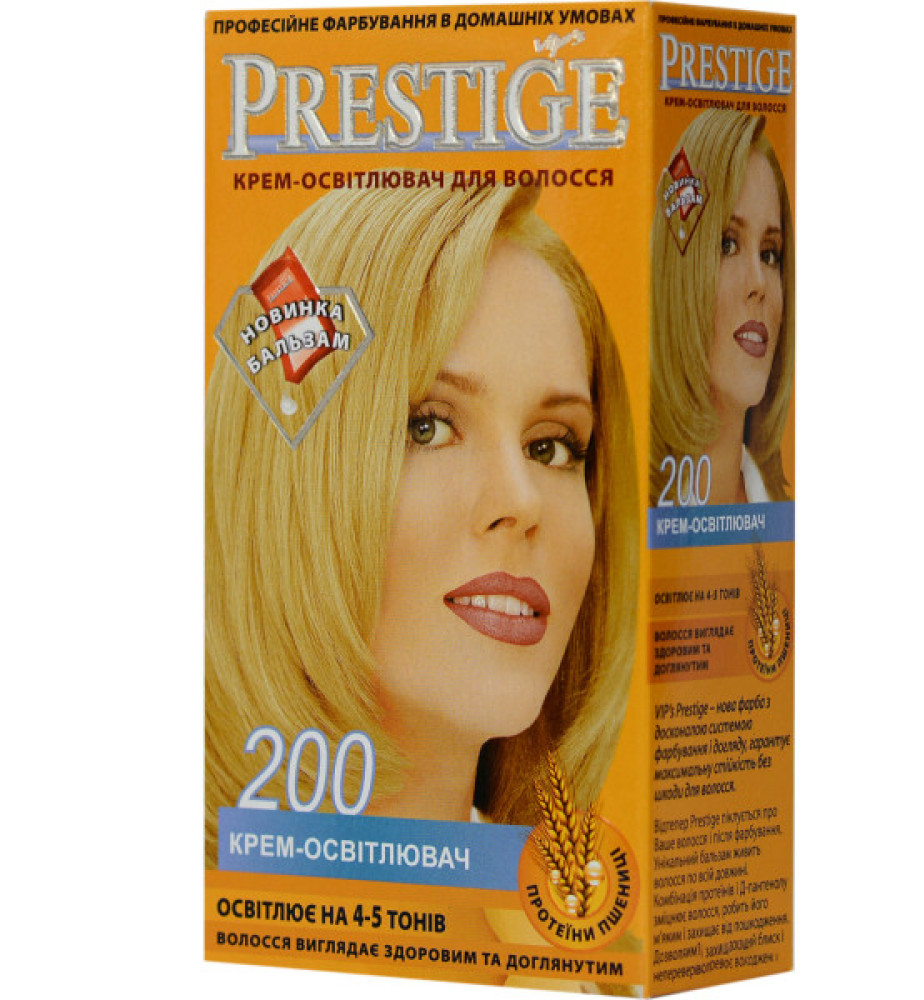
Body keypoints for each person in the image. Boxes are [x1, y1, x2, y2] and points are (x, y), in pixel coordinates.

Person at [205, 180, 637, 863]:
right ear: (292, 481)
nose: (521, 501)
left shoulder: (562, 913)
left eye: (552, 447)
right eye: (428, 426)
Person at [650, 110, 794, 505]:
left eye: (770, 254)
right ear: (679, 273)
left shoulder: (781, 513)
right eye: (728, 244)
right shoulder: (629, 510)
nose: (758, 283)